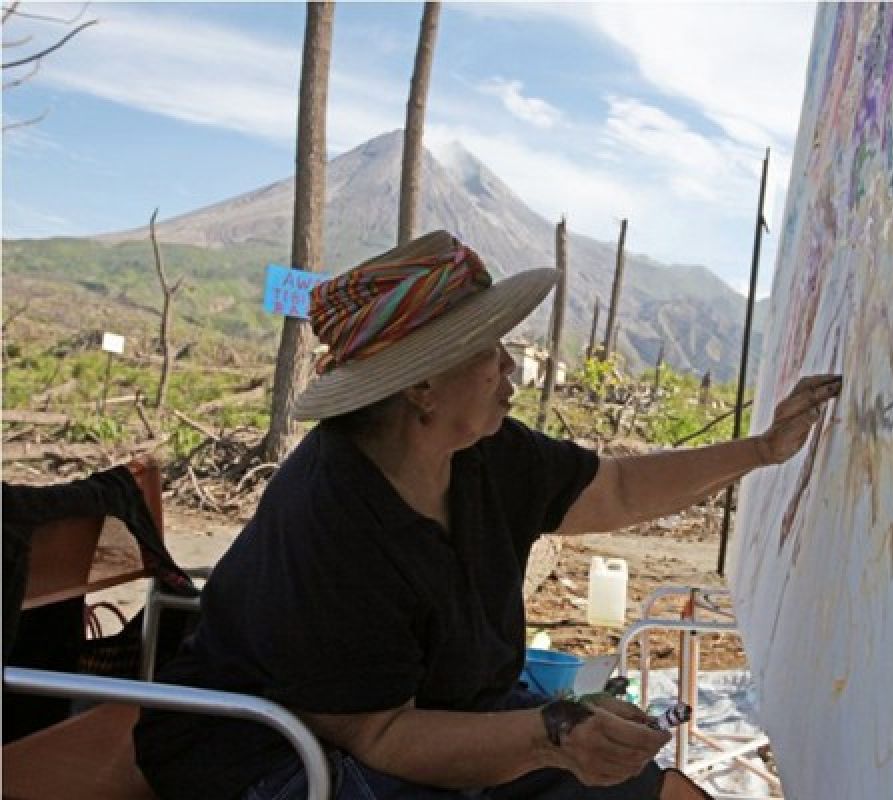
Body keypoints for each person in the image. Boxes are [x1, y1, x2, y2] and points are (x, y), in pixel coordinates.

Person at [134, 230, 842, 800]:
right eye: (486, 351)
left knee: (634, 787)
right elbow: (378, 736)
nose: (511, 368)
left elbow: (619, 489)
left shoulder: (482, 452)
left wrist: (762, 450)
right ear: (422, 387)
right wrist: (549, 736)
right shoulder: (332, 517)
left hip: (429, 718)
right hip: (272, 755)